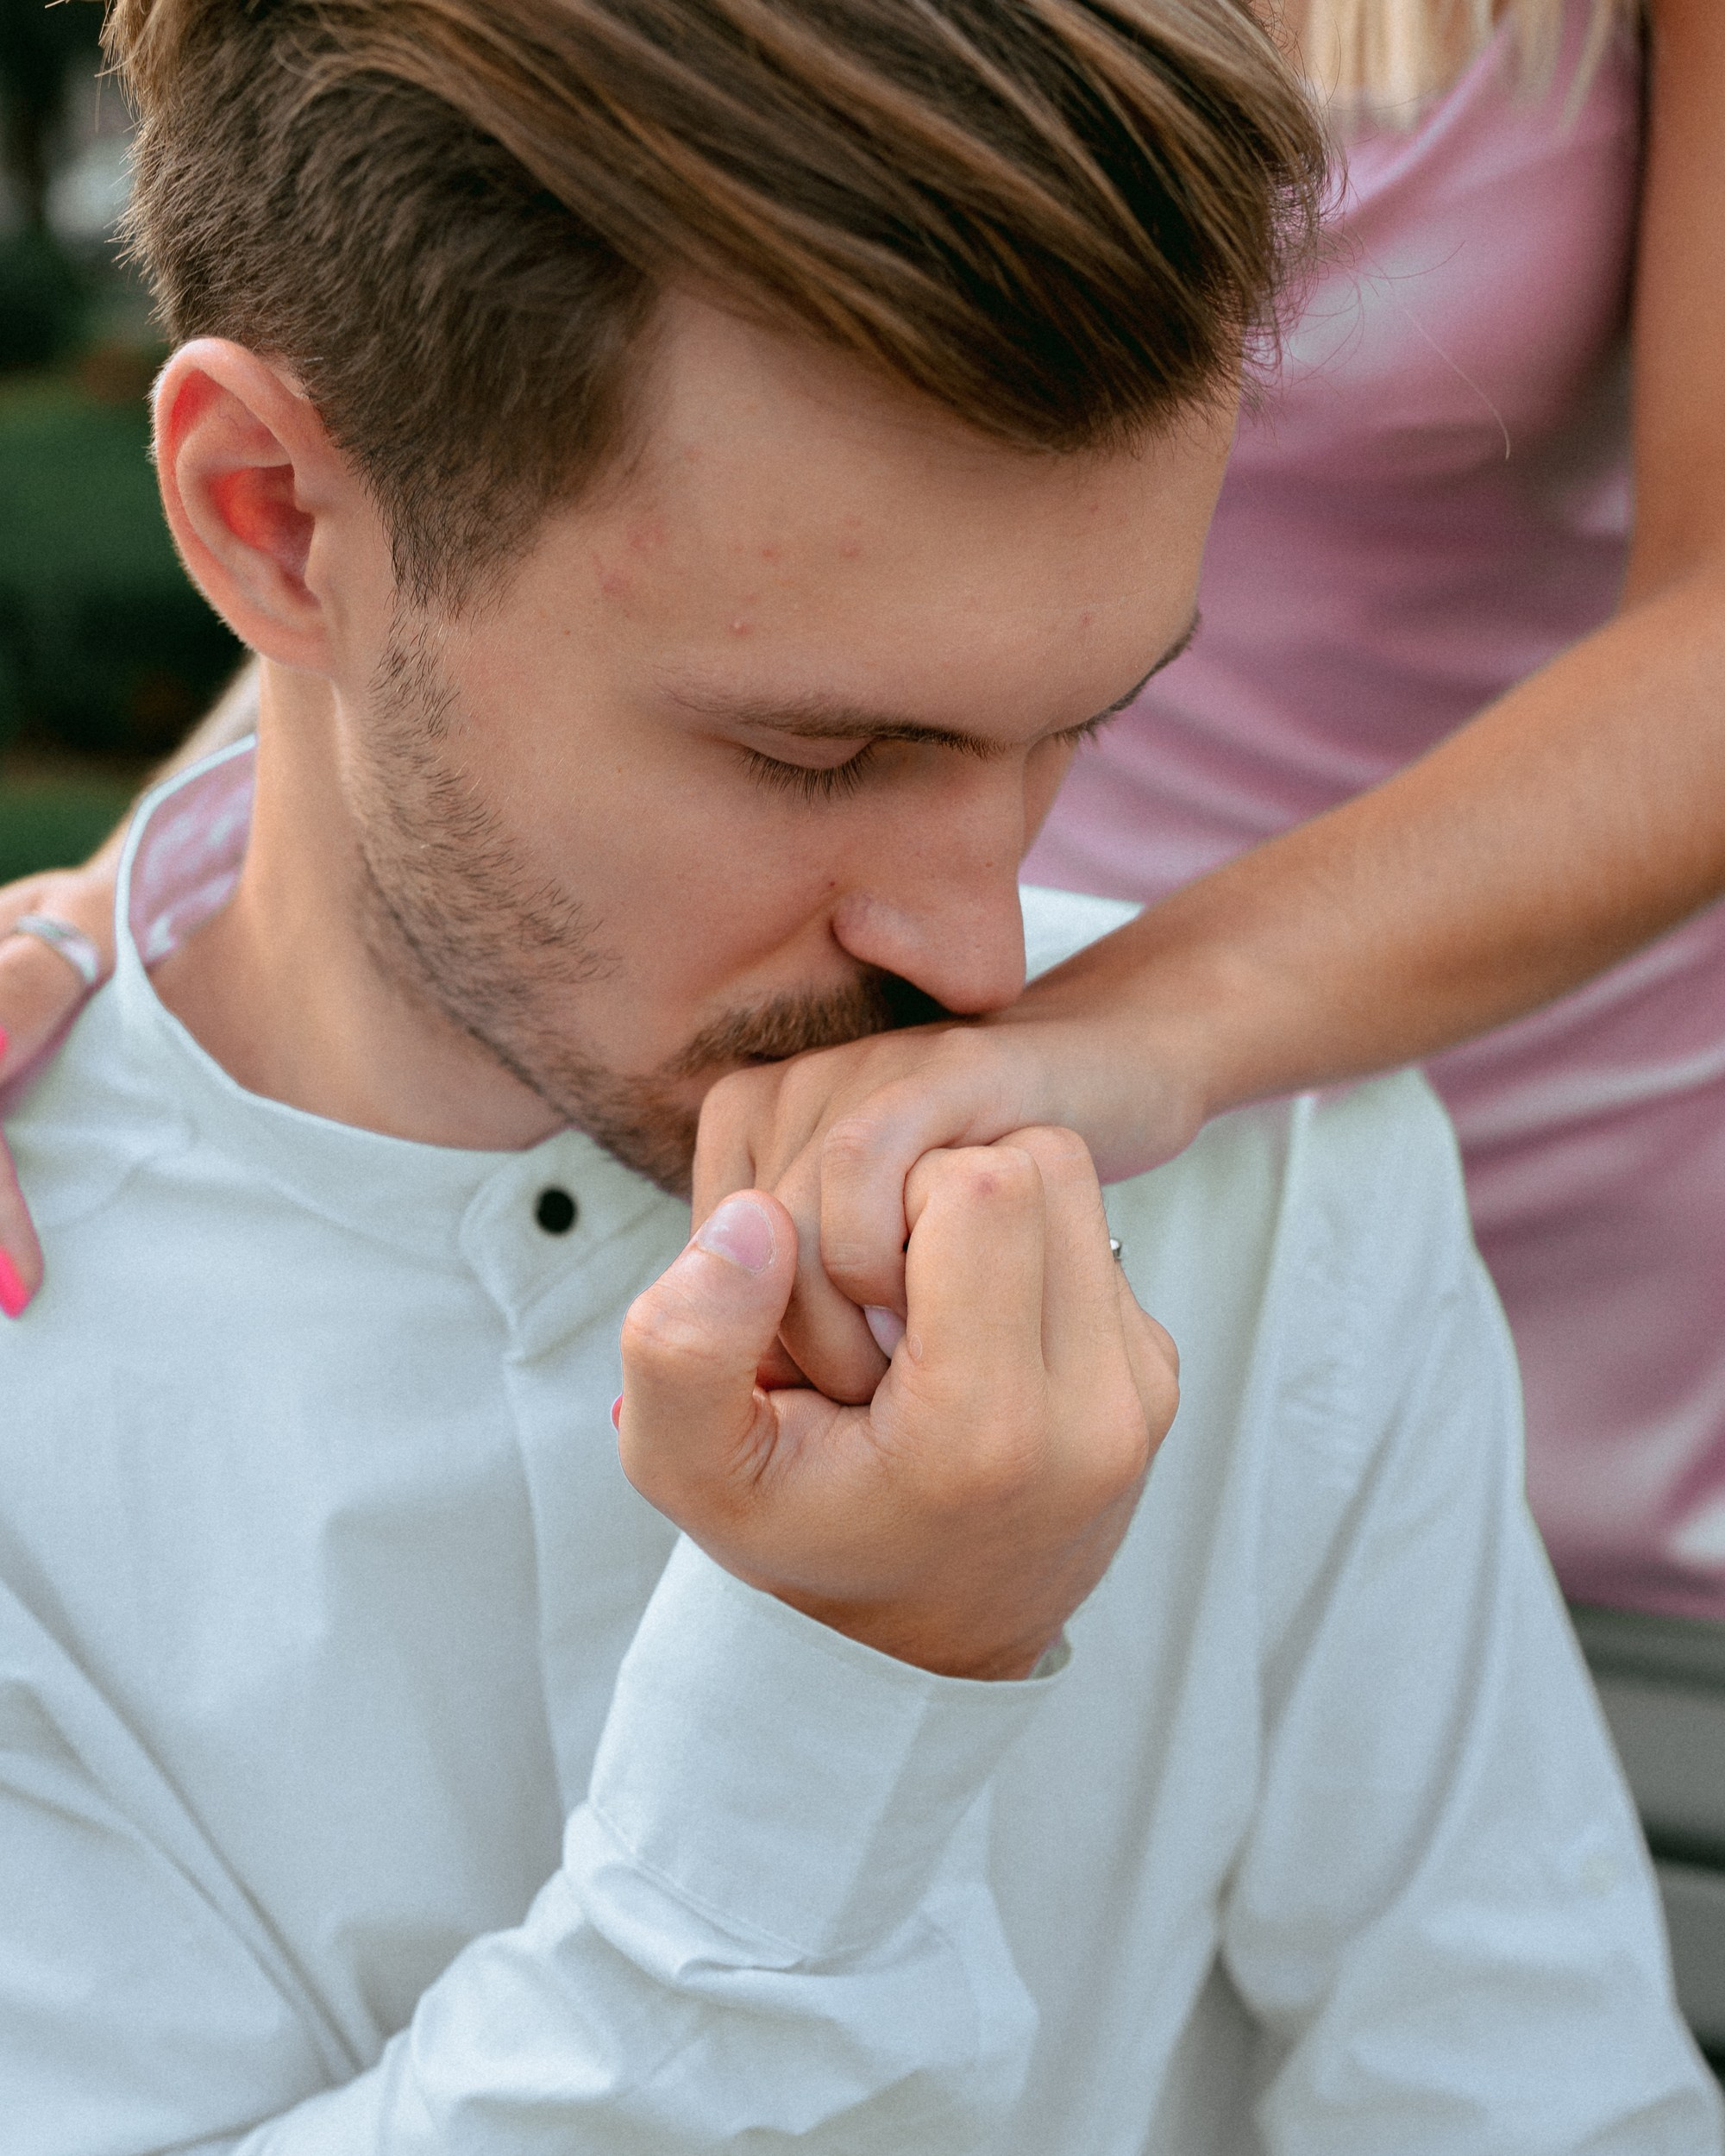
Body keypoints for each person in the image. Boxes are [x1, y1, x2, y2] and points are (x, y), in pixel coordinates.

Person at [3, 0, 1716, 2147]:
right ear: (270, 522)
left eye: (1084, 726)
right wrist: (838, 1715)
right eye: (816, 751)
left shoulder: (1274, 1192)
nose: (983, 957)